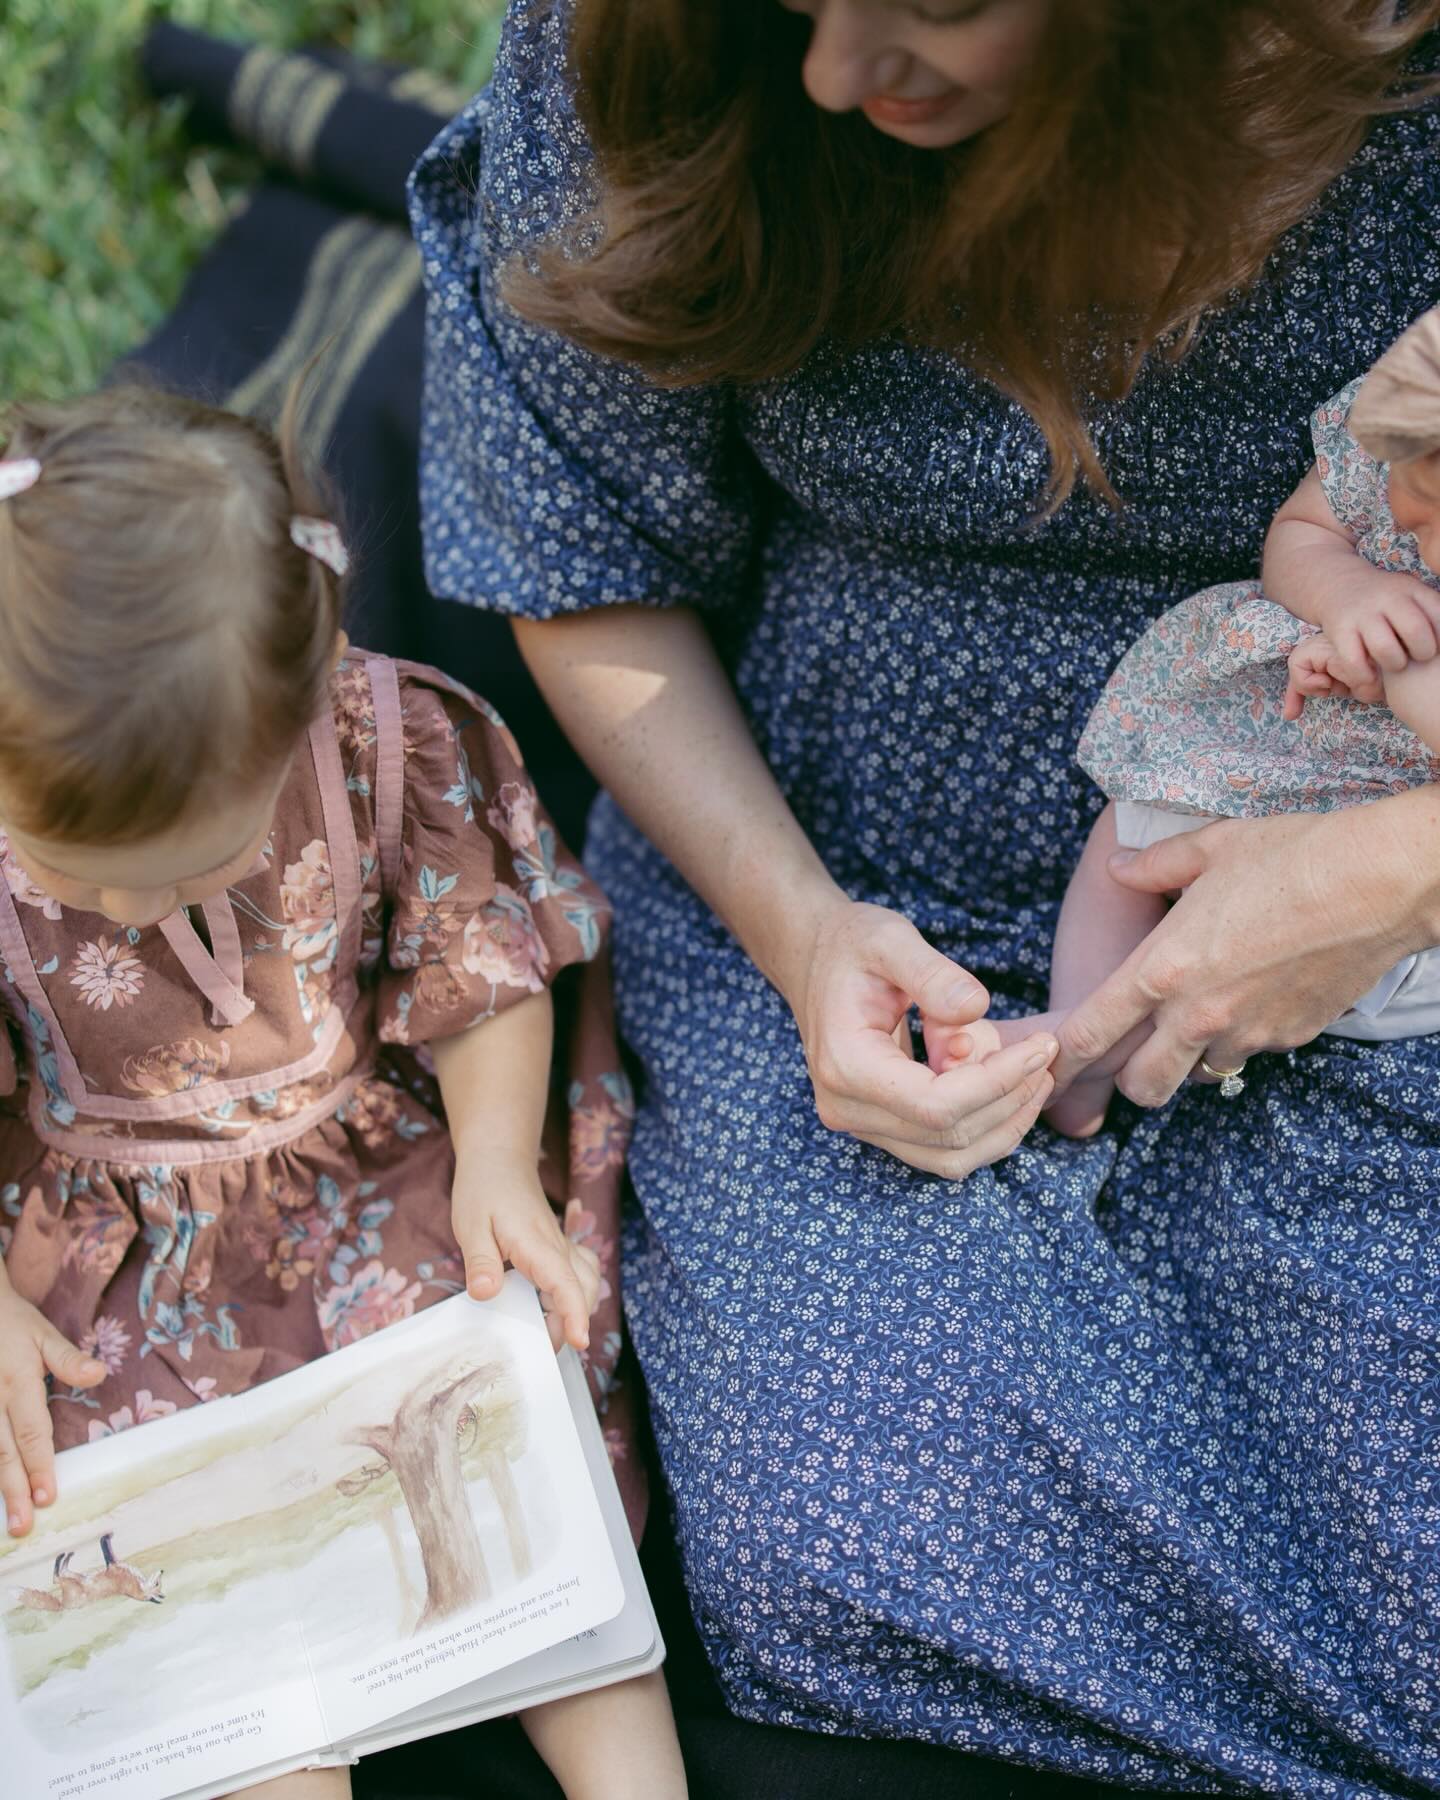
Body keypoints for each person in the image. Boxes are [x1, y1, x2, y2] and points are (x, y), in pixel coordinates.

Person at [409, 0, 1440, 1791]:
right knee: (835, 1554)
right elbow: (578, 547)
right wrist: (799, 929)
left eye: (937, 2)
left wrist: (1382, 872)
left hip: (1371, 801)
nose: (831, 72)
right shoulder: (658, 40)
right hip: (850, 822)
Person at [0, 387, 686, 1800]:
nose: (130, 909)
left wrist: (498, 1158)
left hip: (375, 1192)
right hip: (114, 1274)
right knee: (220, 1652)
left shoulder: (376, 741)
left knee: (543, 1552)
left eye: (191, 868)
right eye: (82, 875)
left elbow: (478, 964)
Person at [1030, 306, 1440, 1135]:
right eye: (1397, 491)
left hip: (1402, 855)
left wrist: (1403, 674)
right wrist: (1346, 593)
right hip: (1296, 752)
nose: (1397, 524)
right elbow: (1302, 532)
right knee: (1134, 829)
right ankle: (1075, 1036)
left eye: (1432, 513)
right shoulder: (1404, 437)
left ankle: (1140, 1051)